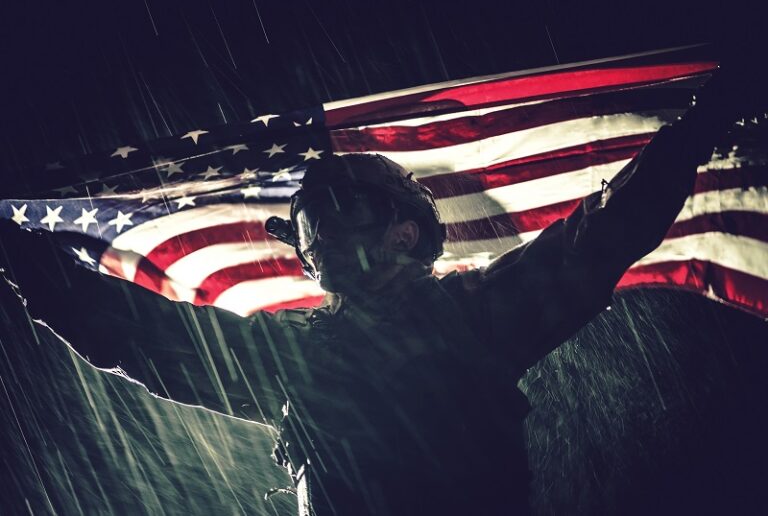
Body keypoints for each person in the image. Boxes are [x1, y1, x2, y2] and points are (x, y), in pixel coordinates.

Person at [0, 65, 752, 515]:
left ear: (404, 233)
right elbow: (129, 330)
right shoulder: (294, 357)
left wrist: (703, 123)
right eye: (310, 222)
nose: (320, 232)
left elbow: (609, 229)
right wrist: (19, 254)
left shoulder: (479, 316)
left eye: (337, 211)